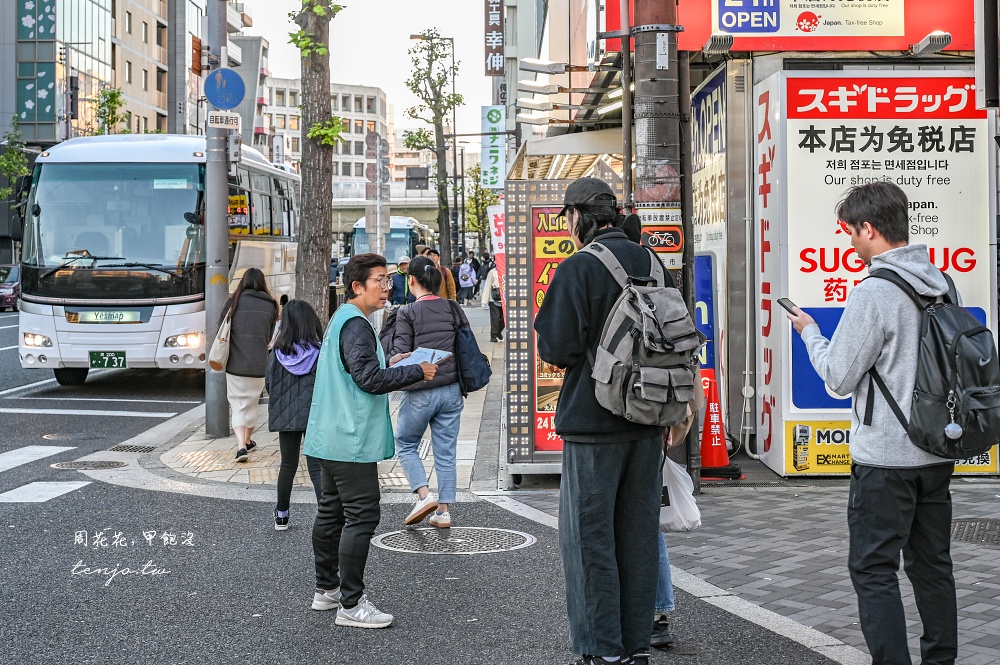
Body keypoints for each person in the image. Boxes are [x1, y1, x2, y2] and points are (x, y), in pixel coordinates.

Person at [787, 181, 958, 665]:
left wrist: (810, 333)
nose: (851, 243)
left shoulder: (875, 291)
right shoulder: (941, 283)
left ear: (869, 228)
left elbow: (839, 378)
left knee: (873, 568)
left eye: (851, 233)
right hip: (936, 448)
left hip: (886, 457)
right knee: (932, 567)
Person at [534, 177, 674, 665]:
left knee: (589, 541)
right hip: (649, 420)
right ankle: (636, 648)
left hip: (594, 425)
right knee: (636, 538)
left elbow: (556, 347)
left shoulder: (579, 268)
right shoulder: (654, 263)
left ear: (576, 216)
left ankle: (601, 651)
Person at [303, 253, 437, 628]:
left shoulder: (342, 320)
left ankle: (326, 590)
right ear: (357, 286)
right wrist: (415, 371)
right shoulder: (357, 325)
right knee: (362, 516)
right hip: (350, 440)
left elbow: (359, 372)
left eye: (388, 279)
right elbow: (367, 380)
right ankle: (351, 605)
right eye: (378, 279)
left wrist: (394, 364)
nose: (386, 285)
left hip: (327, 436)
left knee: (331, 512)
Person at [388, 255, 468, 529]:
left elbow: (399, 352)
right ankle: (443, 512)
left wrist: (392, 360)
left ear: (411, 280)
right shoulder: (452, 308)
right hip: (451, 390)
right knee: (445, 451)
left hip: (421, 390)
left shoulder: (407, 312)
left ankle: (424, 496)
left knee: (406, 442)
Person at [266, 299, 324, 531]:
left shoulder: (277, 352)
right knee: (316, 465)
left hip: (285, 414)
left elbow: (269, 385)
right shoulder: (321, 352)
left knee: (288, 464)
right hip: (314, 413)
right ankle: (325, 512)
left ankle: (282, 515)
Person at [223, 268, 277, 463]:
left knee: (238, 406)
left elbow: (221, 326)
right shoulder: (271, 304)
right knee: (252, 404)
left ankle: (240, 447)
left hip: (235, 363)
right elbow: (269, 337)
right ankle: (247, 441)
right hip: (258, 364)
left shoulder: (234, 301)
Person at [480, 265, 504, 342]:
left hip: (505, 300)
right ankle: (493, 336)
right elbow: (487, 286)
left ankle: (498, 332)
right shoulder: (492, 272)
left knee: (504, 319)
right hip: (494, 300)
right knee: (495, 319)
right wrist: (484, 302)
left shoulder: (508, 270)